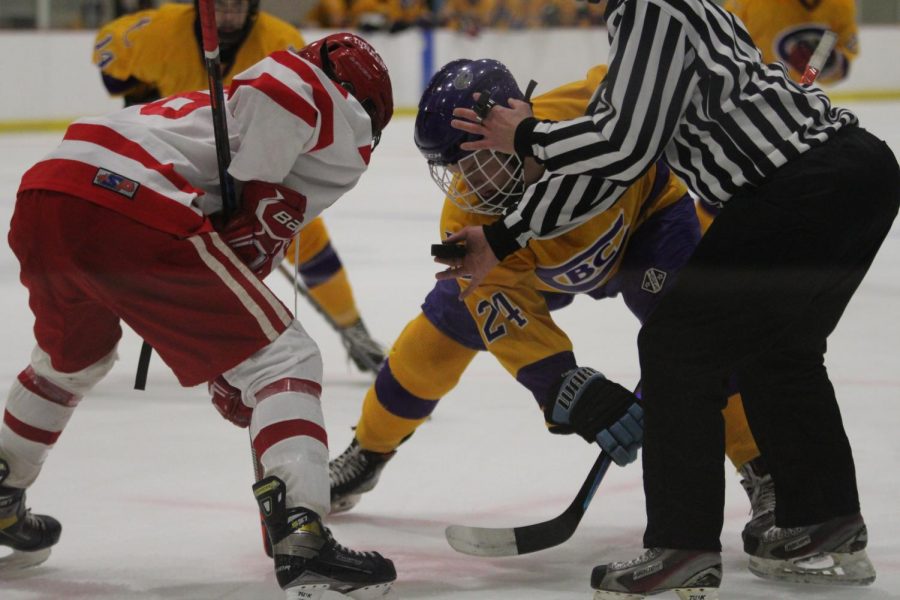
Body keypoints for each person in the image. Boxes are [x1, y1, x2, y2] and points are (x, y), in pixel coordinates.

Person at [441, 0, 900, 596]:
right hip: (852, 176)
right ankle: (824, 522)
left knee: (677, 349)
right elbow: (607, 172)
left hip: (797, 185)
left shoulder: (648, 7)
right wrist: (504, 238)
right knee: (780, 354)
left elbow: (620, 146)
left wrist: (526, 134)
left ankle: (682, 547)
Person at [0, 33, 397, 599]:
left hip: (49, 189)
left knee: (70, 360)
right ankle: (302, 539)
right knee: (284, 357)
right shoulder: (318, 94)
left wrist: (224, 360)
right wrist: (236, 366)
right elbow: (279, 88)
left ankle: (2, 490)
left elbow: (231, 260)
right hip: (129, 201)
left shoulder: (219, 113)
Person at [329, 59, 772, 543]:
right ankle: (368, 451)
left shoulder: (589, 108)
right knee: (431, 345)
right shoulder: (468, 227)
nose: (466, 181)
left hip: (645, 228)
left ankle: (765, 472)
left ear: (509, 121)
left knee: (702, 341)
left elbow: (655, 84)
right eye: (453, 167)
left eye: (474, 159)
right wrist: (570, 389)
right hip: (534, 268)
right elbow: (510, 323)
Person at [92, 0, 387, 374]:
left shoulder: (281, 40)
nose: (226, 15)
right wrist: (141, 93)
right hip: (176, 158)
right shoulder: (156, 32)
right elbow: (110, 63)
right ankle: (96, 330)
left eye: (236, 6)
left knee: (302, 233)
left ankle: (353, 330)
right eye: (220, 5)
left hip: (256, 161)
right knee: (125, 231)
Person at [724, 0, 858, 85]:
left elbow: (809, 78)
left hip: (796, 106)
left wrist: (823, 66)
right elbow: (722, 51)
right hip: (749, 102)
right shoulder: (749, 4)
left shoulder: (840, 5)